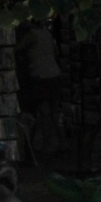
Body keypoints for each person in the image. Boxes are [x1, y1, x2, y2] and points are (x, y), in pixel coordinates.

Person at [16, 20, 63, 154]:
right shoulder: (46, 34)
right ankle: (61, 141)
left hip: (40, 76)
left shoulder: (32, 35)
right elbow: (56, 52)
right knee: (54, 111)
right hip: (54, 74)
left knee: (43, 111)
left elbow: (16, 48)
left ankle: (48, 144)